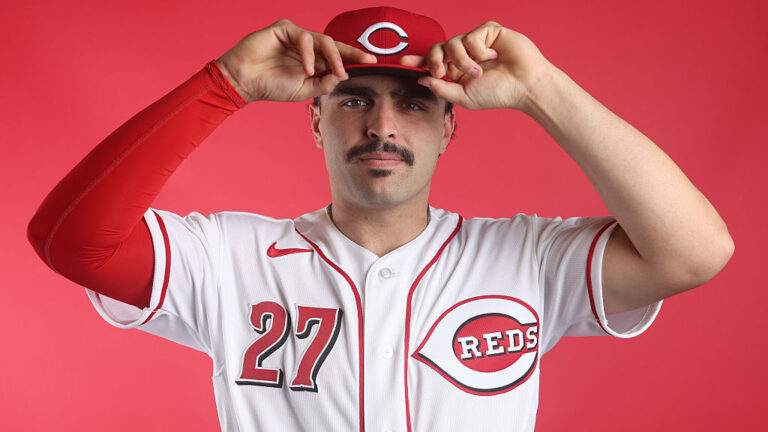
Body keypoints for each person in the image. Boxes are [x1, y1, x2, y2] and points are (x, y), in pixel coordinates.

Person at [27, 6, 733, 432]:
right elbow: (76, 243)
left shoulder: (526, 258)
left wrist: (541, 87)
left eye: (416, 102)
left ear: (451, 127)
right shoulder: (229, 257)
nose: (384, 125)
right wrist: (227, 85)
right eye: (355, 98)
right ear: (316, 119)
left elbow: (694, 252)